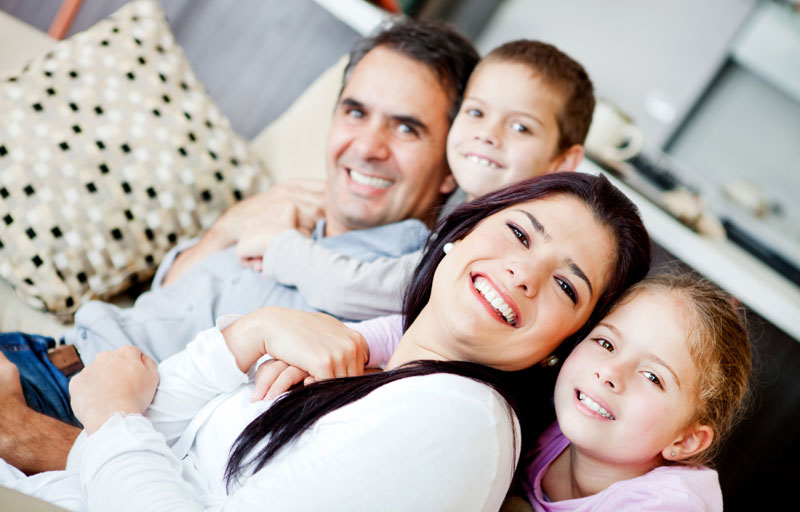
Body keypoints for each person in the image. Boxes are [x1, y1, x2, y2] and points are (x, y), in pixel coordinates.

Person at [0, 172, 651, 511]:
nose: (524, 273)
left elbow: (128, 414)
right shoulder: (377, 366)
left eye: (567, 287)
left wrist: (111, 416)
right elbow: (169, 427)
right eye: (519, 234)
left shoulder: (461, 423)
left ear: (559, 349)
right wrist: (247, 334)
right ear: (460, 233)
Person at [0, 18, 479, 474]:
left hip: (76, 411)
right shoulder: (285, 215)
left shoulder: (401, 289)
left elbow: (202, 472)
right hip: (48, 355)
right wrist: (227, 229)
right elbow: (163, 299)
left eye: (406, 128)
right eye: (356, 112)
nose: (369, 146)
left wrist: (26, 435)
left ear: (454, 163)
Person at [237, 39, 596, 320]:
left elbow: (376, 290)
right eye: (476, 112)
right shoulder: (468, 218)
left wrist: (285, 250)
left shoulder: (509, 236)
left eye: (520, 127)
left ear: (564, 161)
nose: (488, 134)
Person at [522, 272, 752, 511]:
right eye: (606, 343)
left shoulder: (667, 505)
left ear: (685, 440)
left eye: (652, 377)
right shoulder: (546, 425)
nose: (610, 371)